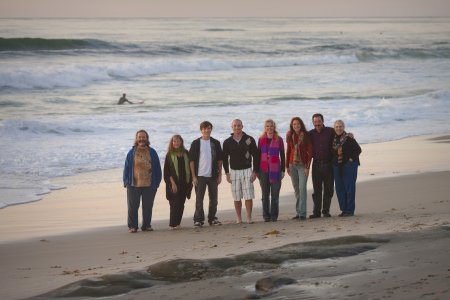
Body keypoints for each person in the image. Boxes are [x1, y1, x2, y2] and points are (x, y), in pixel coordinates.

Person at [308, 113, 353, 219]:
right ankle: (316, 212)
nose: (317, 123)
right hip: (316, 165)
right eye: (315, 122)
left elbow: (340, 133)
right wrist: (289, 133)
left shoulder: (330, 131)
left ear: (323, 121)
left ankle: (326, 211)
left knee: (328, 189)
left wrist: (349, 134)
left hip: (329, 164)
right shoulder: (310, 134)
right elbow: (298, 137)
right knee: (317, 190)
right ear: (313, 123)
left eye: (319, 121)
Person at [123, 130, 162, 233]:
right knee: (133, 207)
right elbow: (126, 168)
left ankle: (146, 225)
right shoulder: (132, 152)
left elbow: (158, 168)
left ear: (147, 138)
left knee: (148, 206)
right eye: (140, 137)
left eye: (143, 137)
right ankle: (133, 226)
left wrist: (157, 183)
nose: (141, 139)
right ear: (136, 139)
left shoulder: (152, 152)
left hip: (150, 185)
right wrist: (126, 181)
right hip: (133, 184)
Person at [223, 119, 260, 224]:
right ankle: (239, 218)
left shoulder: (248, 139)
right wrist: (227, 173)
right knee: (236, 196)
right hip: (233, 171)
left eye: (239, 126)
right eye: (235, 126)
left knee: (248, 195)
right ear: (232, 127)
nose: (237, 128)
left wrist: (254, 171)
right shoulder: (227, 142)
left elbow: (256, 156)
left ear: (242, 126)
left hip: (247, 170)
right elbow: (225, 158)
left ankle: (249, 217)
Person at [189, 121, 223, 228]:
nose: (206, 131)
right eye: (204, 129)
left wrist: (220, 174)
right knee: (199, 199)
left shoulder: (216, 143)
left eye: (208, 128)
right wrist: (193, 176)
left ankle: (212, 218)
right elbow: (191, 160)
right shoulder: (195, 143)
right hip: (200, 176)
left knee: (214, 199)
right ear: (201, 130)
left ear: (211, 129)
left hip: (213, 175)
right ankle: (198, 220)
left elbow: (219, 160)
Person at [257, 119, 285, 222]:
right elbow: (257, 156)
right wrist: (256, 171)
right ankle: (266, 215)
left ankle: (274, 215)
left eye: (271, 126)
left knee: (275, 195)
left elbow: (282, 155)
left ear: (274, 127)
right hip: (263, 169)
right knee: (265, 195)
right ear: (265, 128)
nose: (269, 128)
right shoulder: (260, 140)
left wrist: (283, 170)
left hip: (275, 169)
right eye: (267, 126)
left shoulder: (279, 140)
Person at [331, 120, 361, 217]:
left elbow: (358, 149)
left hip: (349, 166)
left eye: (340, 126)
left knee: (349, 188)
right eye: (336, 127)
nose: (338, 129)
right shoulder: (332, 138)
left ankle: (350, 210)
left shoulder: (349, 138)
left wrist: (351, 159)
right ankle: (343, 209)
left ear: (343, 127)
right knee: (339, 189)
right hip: (337, 166)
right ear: (334, 128)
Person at [286, 117, 313, 220]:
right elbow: (288, 151)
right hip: (292, 165)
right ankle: (298, 212)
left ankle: (302, 213)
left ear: (301, 124)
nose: (296, 126)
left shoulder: (307, 136)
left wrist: (307, 167)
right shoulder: (290, 136)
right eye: (294, 124)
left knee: (302, 188)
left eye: (298, 124)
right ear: (292, 126)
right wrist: (287, 166)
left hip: (303, 165)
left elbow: (310, 152)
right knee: (296, 189)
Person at [164, 135, 193, 230]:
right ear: (172, 143)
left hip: (184, 183)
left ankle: (177, 224)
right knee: (174, 204)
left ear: (181, 142)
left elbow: (191, 166)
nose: (176, 143)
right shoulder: (169, 155)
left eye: (178, 141)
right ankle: (172, 225)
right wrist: (172, 183)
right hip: (173, 184)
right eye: (174, 141)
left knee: (181, 204)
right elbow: (167, 171)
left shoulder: (186, 153)